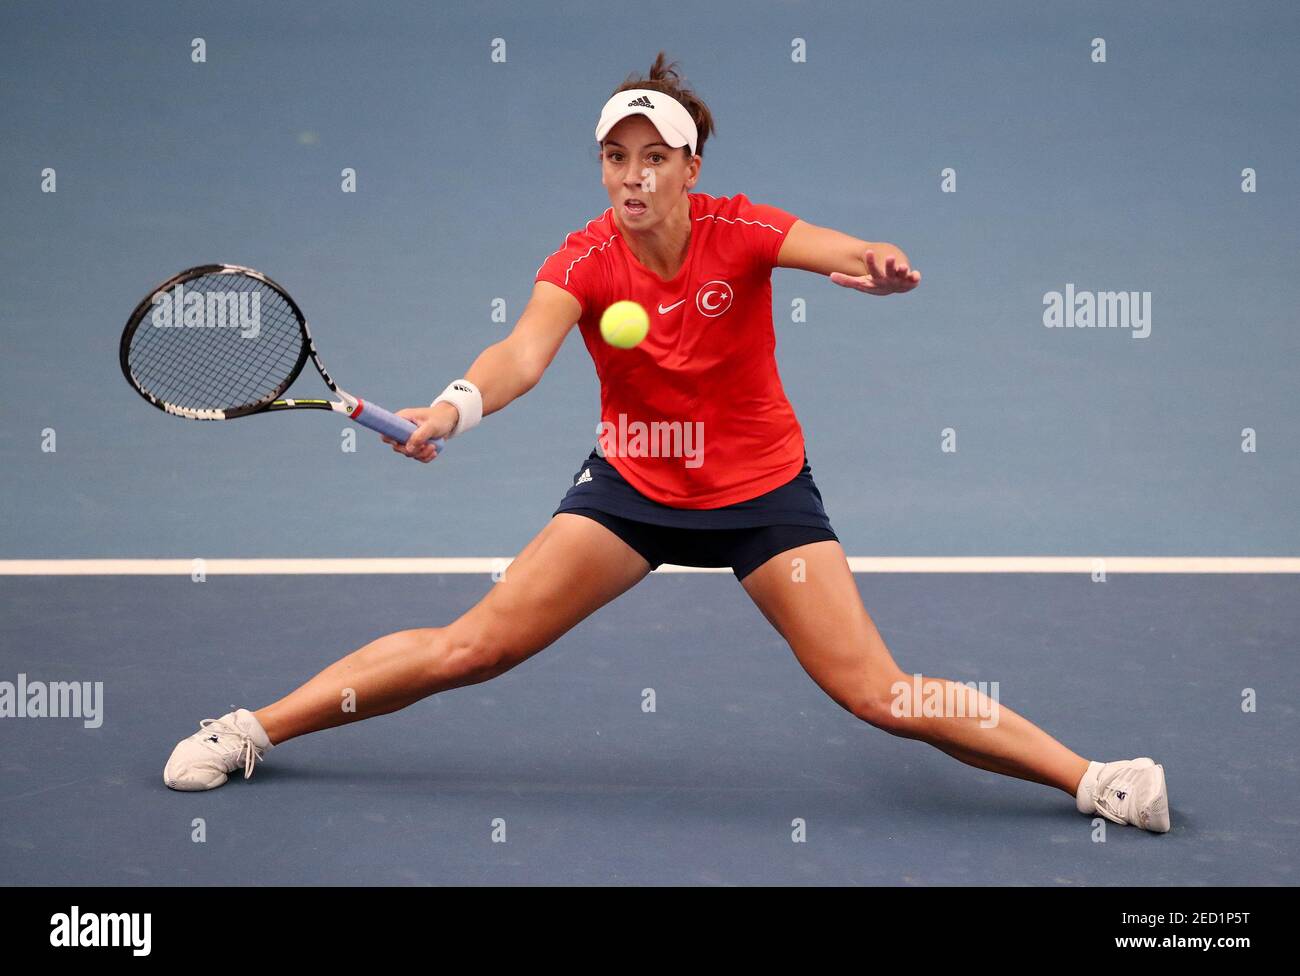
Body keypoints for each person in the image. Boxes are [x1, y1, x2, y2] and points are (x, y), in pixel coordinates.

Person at [164, 53, 1169, 834]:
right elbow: (521, 352)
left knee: (877, 689)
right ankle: (251, 727)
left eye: (654, 157)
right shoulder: (584, 258)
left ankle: (1097, 780)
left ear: (691, 165)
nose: (632, 176)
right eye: (615, 156)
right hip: (631, 493)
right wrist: (452, 408)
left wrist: (880, 264)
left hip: (762, 497)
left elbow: (837, 248)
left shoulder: (740, 228)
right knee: (473, 646)